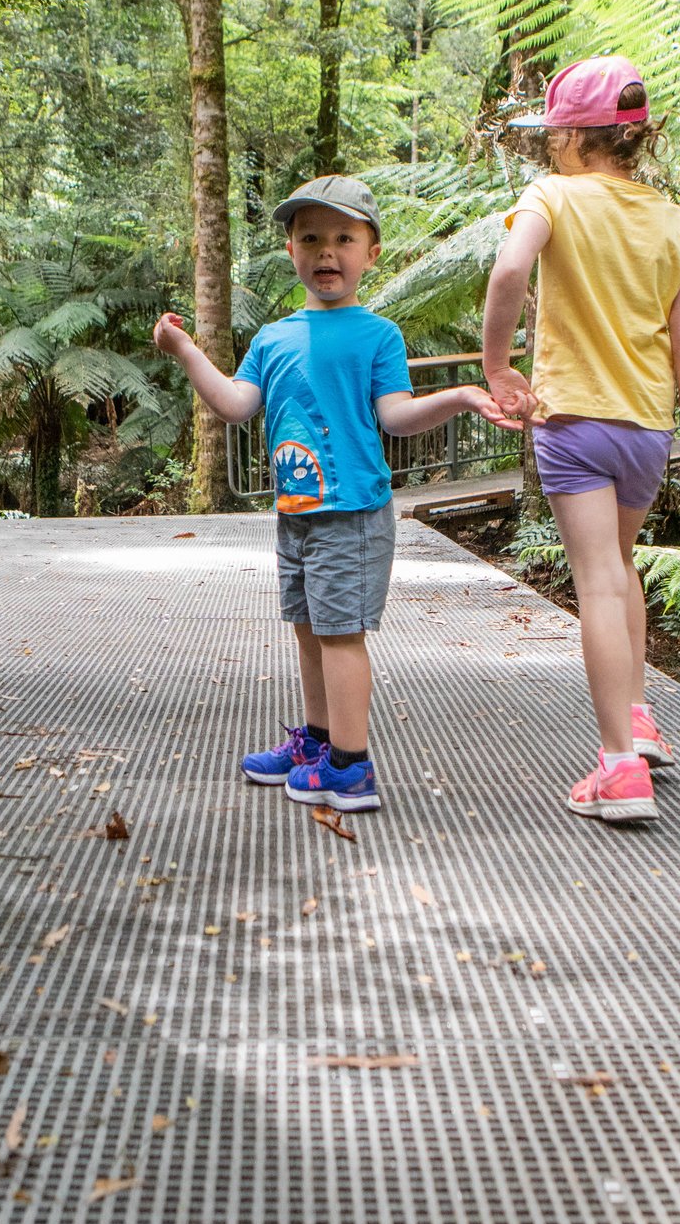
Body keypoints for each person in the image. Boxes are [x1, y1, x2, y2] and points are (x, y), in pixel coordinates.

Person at [156, 175, 500, 811]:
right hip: (297, 514)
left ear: (371, 253)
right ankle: (317, 742)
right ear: (291, 250)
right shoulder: (272, 337)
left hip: (353, 514)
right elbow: (235, 404)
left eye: (344, 237)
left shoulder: (378, 335)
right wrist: (184, 350)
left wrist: (459, 396)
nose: (326, 251)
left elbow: (394, 415)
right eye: (310, 237)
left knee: (342, 636)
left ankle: (351, 765)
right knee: (309, 632)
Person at [482, 56, 680, 825]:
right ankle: (641, 716)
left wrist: (496, 365)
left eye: (554, 134)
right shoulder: (674, 221)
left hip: (575, 422)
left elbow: (508, 271)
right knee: (620, 567)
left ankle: (619, 765)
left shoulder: (551, 196)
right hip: (647, 428)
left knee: (596, 583)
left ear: (575, 137)